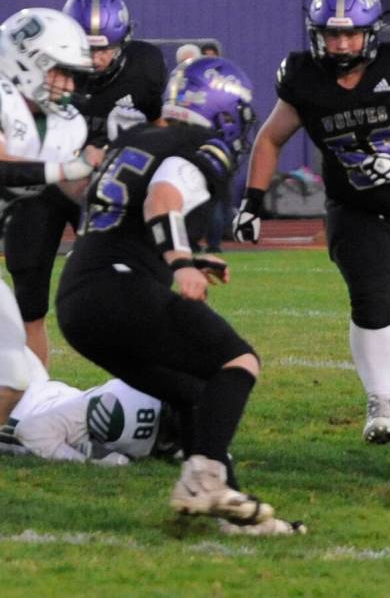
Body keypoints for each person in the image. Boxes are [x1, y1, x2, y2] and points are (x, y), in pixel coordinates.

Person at [56, 57, 303, 536]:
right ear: (222, 110)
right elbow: (162, 198)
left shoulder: (135, 137)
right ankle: (203, 481)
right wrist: (182, 262)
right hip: (118, 286)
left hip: (78, 301)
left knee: (195, 391)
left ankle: (229, 509)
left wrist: (181, 252)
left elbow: (108, 202)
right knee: (238, 362)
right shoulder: (200, 144)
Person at [232, 0, 390, 446]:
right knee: (372, 301)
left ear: (372, 32)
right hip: (354, 209)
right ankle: (379, 404)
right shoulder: (303, 76)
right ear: (317, 34)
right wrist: (252, 201)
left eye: (352, 33)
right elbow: (270, 137)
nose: (343, 43)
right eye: (333, 34)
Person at [0, 7, 98, 369]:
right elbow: (4, 169)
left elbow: (74, 190)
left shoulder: (65, 123)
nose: (69, 86)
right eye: (61, 72)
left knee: (18, 336)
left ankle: (27, 410)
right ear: (30, 61)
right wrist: (72, 167)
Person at [0, 154, 97, 426]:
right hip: (35, 184)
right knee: (29, 304)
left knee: (120, 287)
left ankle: (138, 394)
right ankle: (34, 405)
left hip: (94, 177)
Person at [63, 0, 167, 146]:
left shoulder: (145, 66)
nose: (96, 59)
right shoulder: (54, 68)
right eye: (87, 49)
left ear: (123, 42)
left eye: (104, 49)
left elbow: (160, 125)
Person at [1, 373, 180, 466]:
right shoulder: (124, 411)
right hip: (23, 409)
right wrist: (84, 459)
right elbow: (32, 430)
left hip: (45, 394)